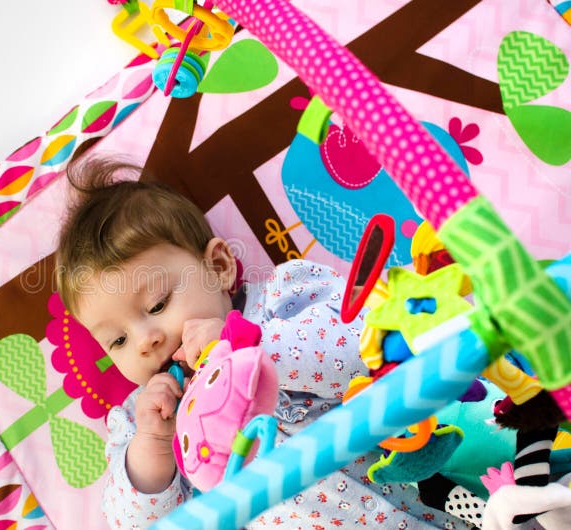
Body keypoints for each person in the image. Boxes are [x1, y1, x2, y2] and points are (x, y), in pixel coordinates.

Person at [55, 158, 473, 529]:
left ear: (219, 266)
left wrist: (252, 348)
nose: (146, 343)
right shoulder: (144, 420)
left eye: (158, 304)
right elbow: (132, 523)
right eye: (118, 340)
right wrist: (153, 446)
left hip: (432, 496)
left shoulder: (282, 299)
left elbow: (364, 345)